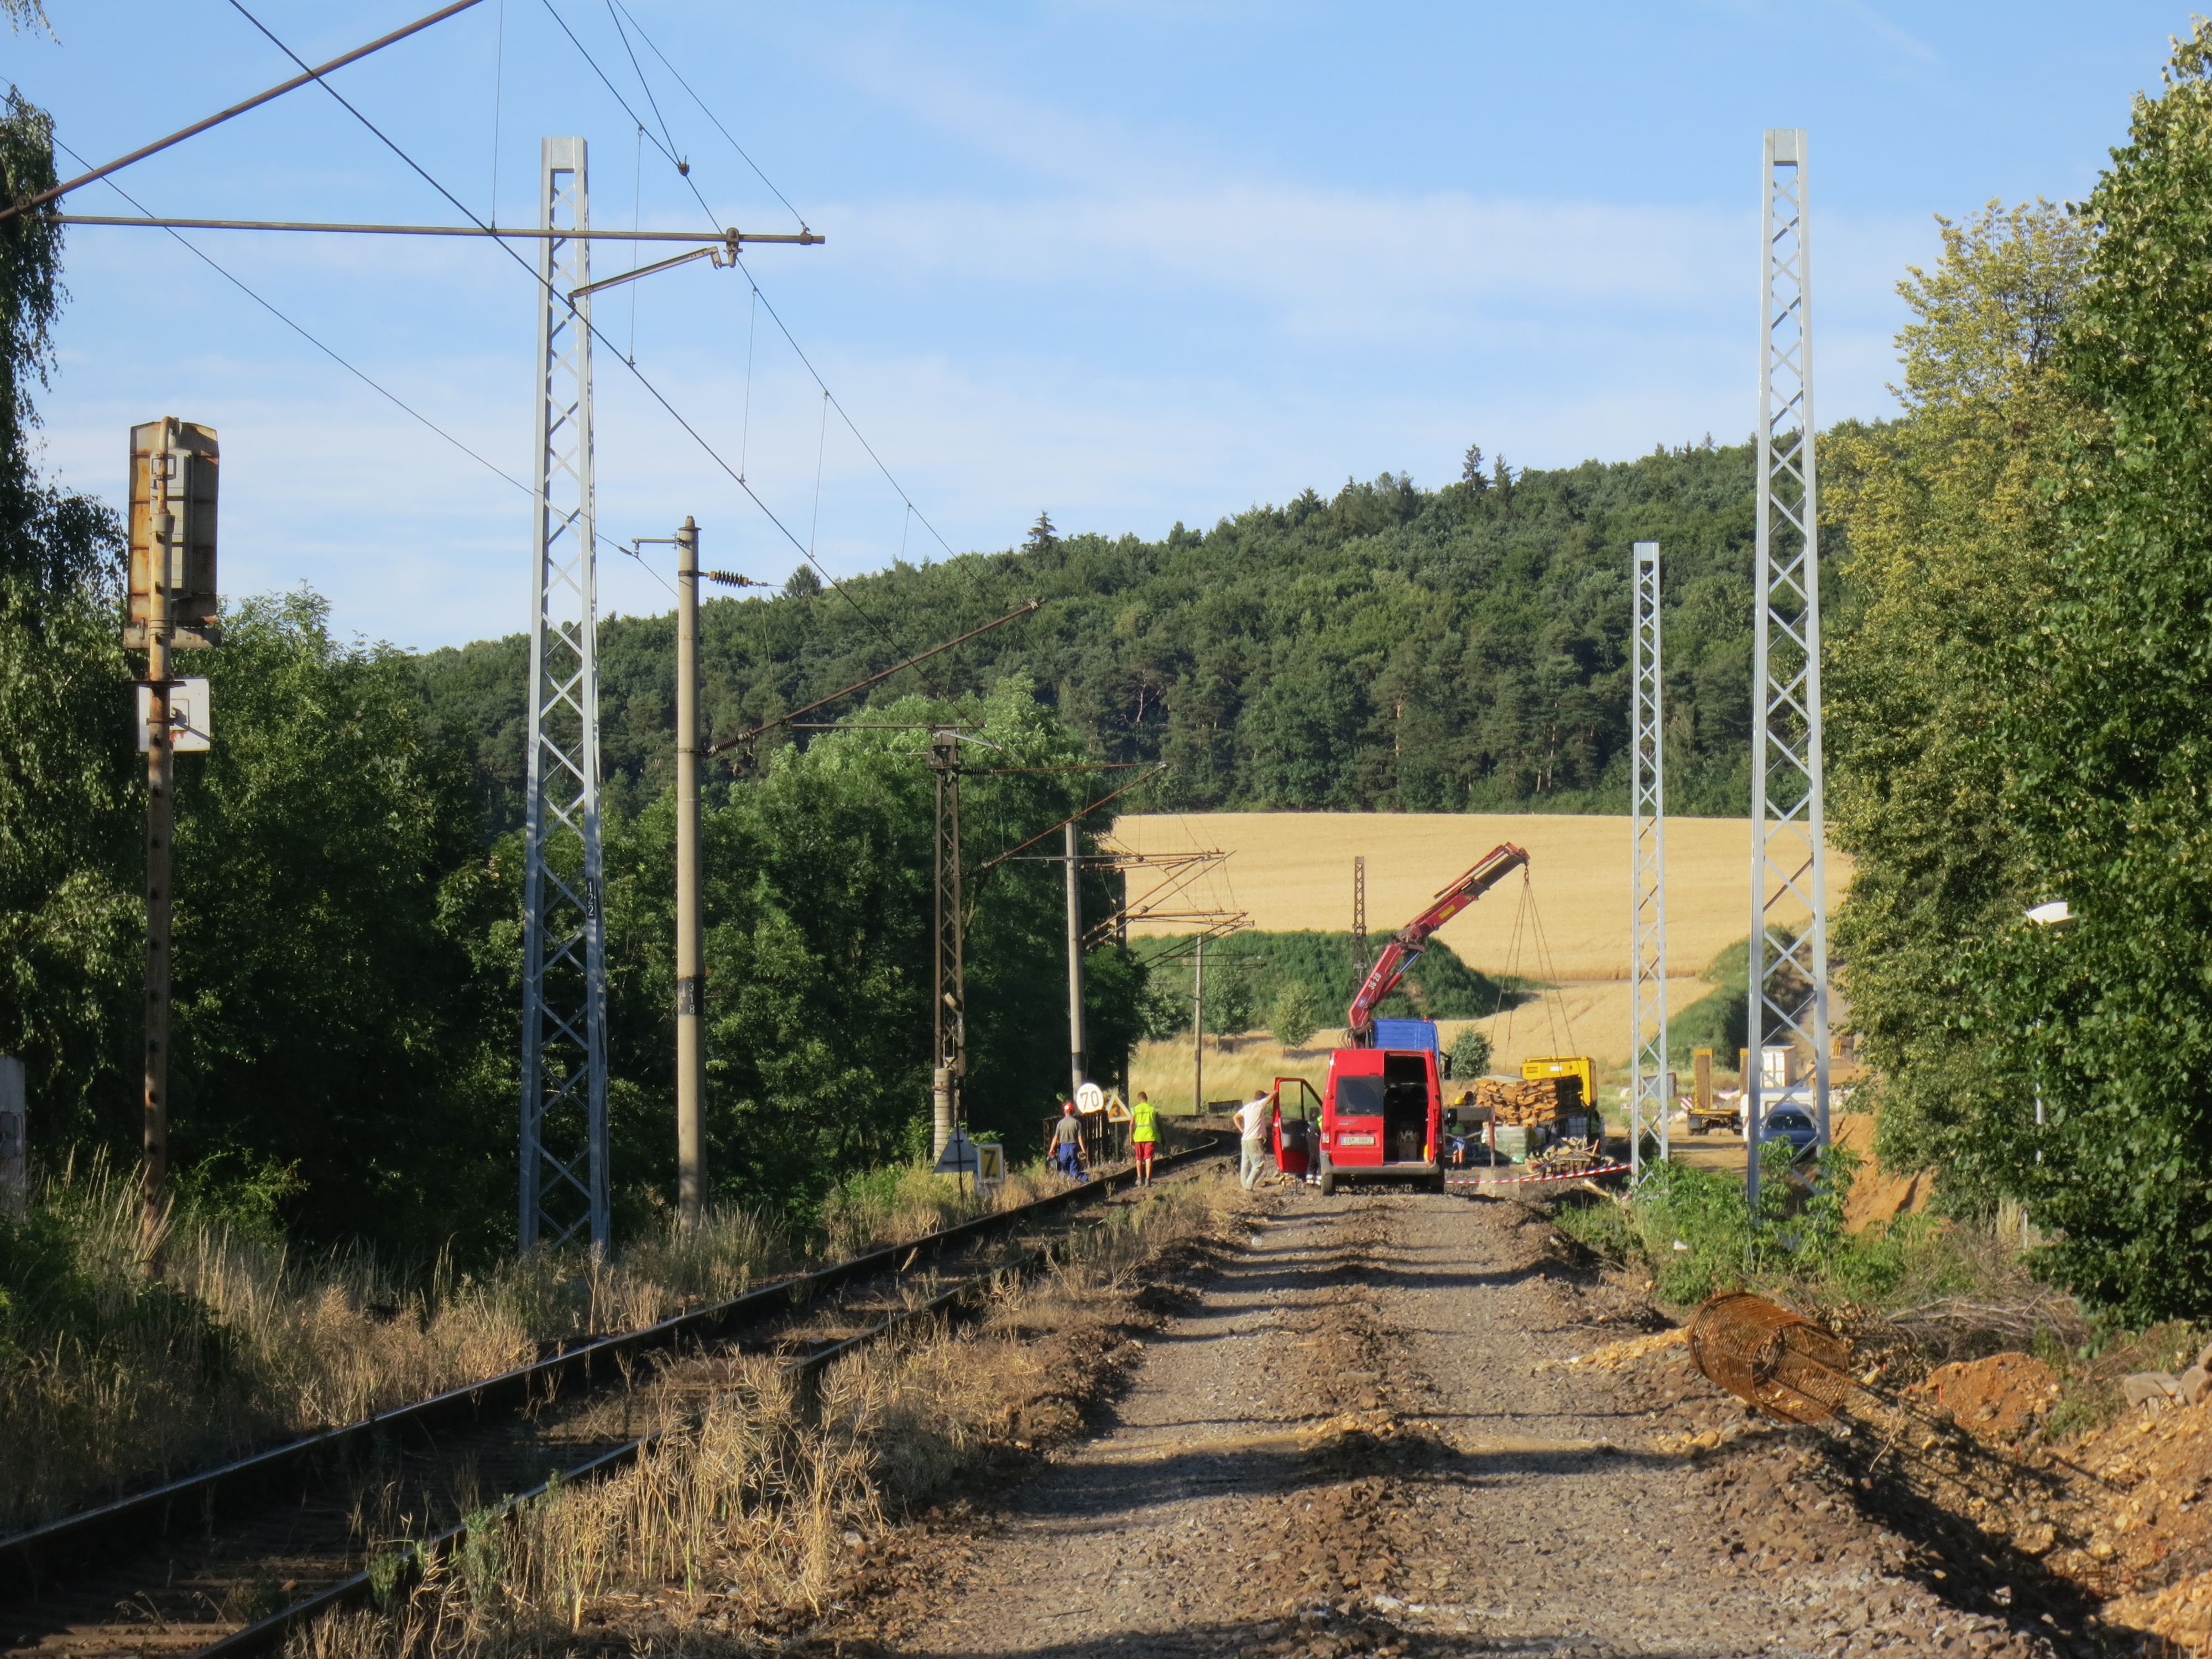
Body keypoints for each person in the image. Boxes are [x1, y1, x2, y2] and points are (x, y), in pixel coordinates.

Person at [1236, 1089, 1271, 1189]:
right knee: (1259, 1164)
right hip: (1255, 1139)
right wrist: (1267, 1092)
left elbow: (1235, 1117)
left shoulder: (1247, 1107)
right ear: (1263, 1099)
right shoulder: (1260, 1105)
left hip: (1245, 1139)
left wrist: (1242, 1130)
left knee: (1245, 1164)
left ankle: (1244, 1186)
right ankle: (1249, 1186)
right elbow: (1275, 1093)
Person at [1051, 1101, 1086, 1180]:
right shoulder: (1077, 1123)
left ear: (1064, 1112)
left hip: (1063, 1148)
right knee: (1074, 1171)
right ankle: (1075, 1180)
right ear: (1072, 1111)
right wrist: (1083, 1150)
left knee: (1063, 1170)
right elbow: (1080, 1138)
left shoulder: (1060, 1123)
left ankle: (1067, 1180)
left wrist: (1051, 1150)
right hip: (1073, 1148)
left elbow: (1056, 1137)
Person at [1131, 1091, 1159, 1186]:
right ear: (1147, 1099)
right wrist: (1161, 1137)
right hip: (1150, 1136)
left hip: (1138, 1137)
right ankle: (1148, 1180)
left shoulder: (1135, 1109)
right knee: (1148, 1158)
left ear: (1139, 1100)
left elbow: (1131, 1125)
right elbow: (1159, 1124)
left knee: (1139, 1158)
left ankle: (1139, 1178)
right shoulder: (1153, 1109)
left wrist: (1131, 1137)